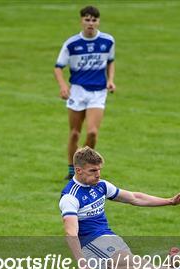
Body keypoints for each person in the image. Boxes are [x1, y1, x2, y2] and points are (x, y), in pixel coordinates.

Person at [54, 5, 116, 180]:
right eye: (87, 20)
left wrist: (110, 80)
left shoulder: (108, 41)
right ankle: (72, 170)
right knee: (74, 132)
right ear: (81, 21)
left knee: (93, 133)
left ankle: (86, 166)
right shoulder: (72, 44)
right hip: (78, 91)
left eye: (94, 20)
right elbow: (58, 67)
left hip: (98, 92)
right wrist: (63, 86)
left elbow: (111, 61)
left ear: (98, 22)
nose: (91, 23)